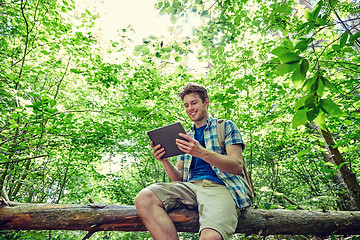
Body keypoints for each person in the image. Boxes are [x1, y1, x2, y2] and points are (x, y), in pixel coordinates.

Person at [135, 82, 252, 240]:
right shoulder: (185, 136)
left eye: (194, 103)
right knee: (144, 198)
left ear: (206, 102)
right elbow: (178, 179)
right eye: (186, 105)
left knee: (210, 238)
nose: (190, 108)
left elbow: (237, 166)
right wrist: (164, 161)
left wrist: (201, 152)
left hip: (221, 188)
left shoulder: (226, 127)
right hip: (190, 188)